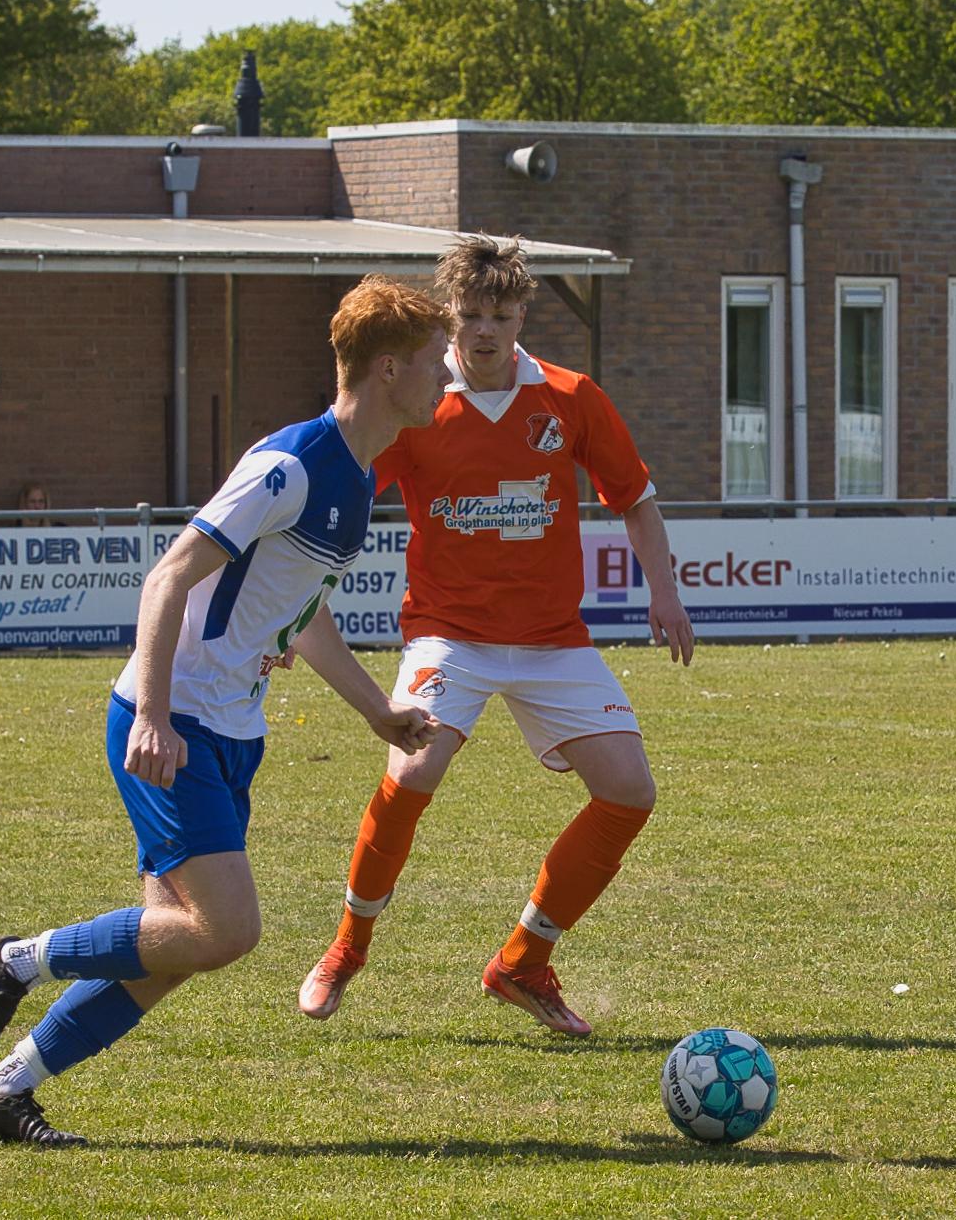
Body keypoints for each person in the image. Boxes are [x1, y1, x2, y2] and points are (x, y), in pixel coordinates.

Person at [0, 276, 455, 1148]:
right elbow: (168, 576)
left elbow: (304, 614)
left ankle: (3, 1089)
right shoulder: (290, 465)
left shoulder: (356, 476)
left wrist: (377, 710)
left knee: (168, 949)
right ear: (387, 368)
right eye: (434, 360)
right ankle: (14, 957)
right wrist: (153, 713)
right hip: (175, 724)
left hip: (230, 731)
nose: (446, 375)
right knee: (226, 930)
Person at [297, 234, 696, 1039]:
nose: (484, 330)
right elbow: (338, 500)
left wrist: (665, 589)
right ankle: (348, 946)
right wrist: (285, 609)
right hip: (450, 634)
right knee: (413, 770)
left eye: (500, 315)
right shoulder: (416, 403)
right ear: (449, 315)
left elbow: (635, 497)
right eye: (471, 314)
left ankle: (522, 960)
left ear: (522, 317)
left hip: (553, 638)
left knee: (630, 791)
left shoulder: (570, 397)